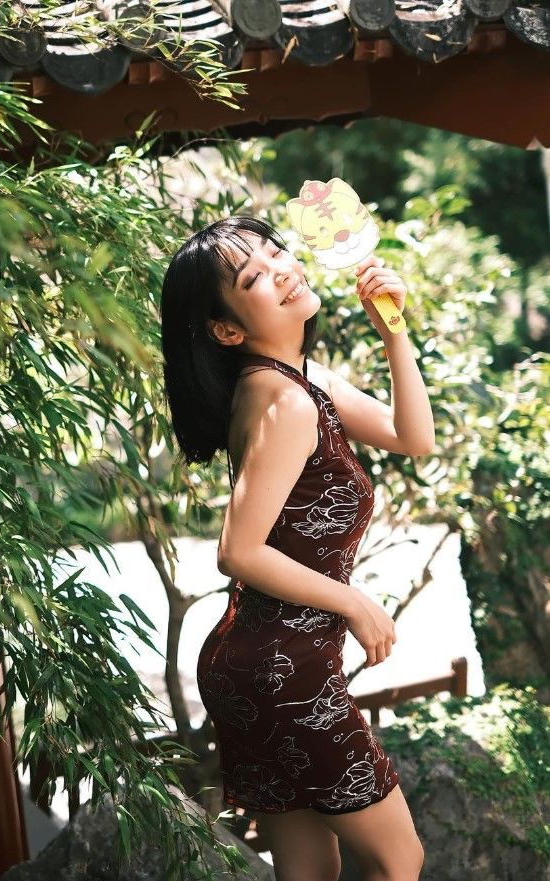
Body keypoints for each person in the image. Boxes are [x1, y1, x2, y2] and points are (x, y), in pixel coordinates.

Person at [160, 215, 434, 881]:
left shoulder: (299, 381)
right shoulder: (284, 401)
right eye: (252, 276)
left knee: (309, 869)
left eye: (275, 251)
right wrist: (354, 603)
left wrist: (393, 332)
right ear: (227, 329)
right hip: (283, 670)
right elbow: (238, 550)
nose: (280, 268)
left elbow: (413, 437)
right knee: (399, 860)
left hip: (261, 664)